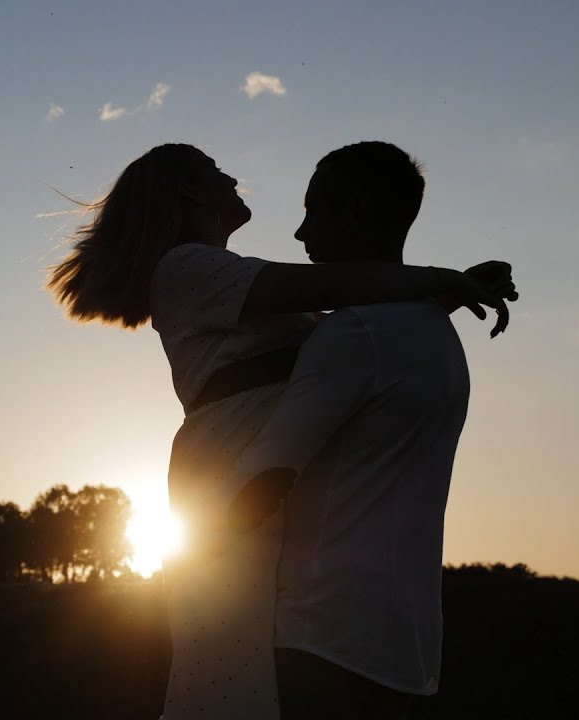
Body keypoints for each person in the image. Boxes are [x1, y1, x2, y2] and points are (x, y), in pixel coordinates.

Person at [45, 142, 513, 719]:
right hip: (230, 456)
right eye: (217, 171)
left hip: (251, 449)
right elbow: (336, 289)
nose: (233, 176)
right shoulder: (186, 267)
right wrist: (446, 280)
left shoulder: (233, 281)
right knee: (232, 644)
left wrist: (443, 293)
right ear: (191, 191)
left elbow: (358, 332)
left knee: (248, 645)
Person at [227, 141, 514, 719]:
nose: (300, 234)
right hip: (404, 644)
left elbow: (263, 477)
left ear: (354, 211)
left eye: (313, 211)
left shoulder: (354, 331)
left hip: (319, 635)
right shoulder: (435, 332)